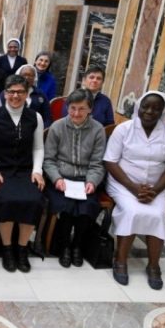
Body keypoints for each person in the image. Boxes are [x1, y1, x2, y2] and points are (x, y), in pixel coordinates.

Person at [104, 91, 165, 290]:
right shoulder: (124, 129)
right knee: (132, 211)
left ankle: (154, 265)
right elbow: (110, 161)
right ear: (138, 107)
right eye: (145, 106)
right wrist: (132, 187)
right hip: (123, 183)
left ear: (163, 111)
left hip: (155, 186)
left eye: (156, 108)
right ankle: (120, 260)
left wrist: (155, 191)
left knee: (158, 214)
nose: (149, 111)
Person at [0, 75, 45, 273]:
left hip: (25, 170)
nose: (15, 96)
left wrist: (37, 170)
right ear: (5, 93)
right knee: (5, 199)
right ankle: (7, 248)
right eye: (11, 92)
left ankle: (22, 248)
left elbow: (38, 148)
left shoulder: (35, 117)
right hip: (0, 170)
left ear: (27, 94)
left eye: (20, 92)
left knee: (34, 199)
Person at [42, 89, 106, 267]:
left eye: (82, 109)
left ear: (90, 109)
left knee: (87, 206)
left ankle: (77, 245)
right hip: (61, 178)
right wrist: (56, 178)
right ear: (67, 108)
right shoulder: (57, 127)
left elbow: (98, 163)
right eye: (72, 108)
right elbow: (48, 160)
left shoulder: (98, 130)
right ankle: (64, 246)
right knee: (66, 207)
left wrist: (92, 181)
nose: (76, 113)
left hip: (85, 179)